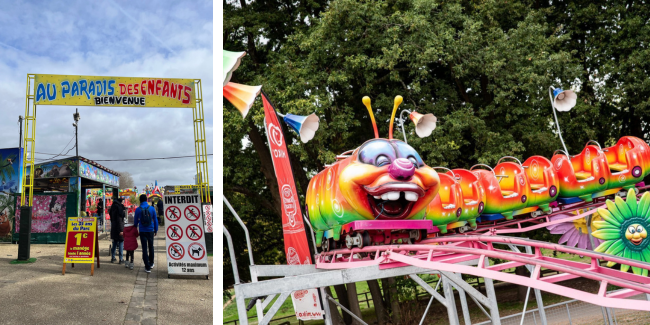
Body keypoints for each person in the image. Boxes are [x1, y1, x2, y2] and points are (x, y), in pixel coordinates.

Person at [134, 194, 158, 273]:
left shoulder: (138, 209)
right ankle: (151, 263)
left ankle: (147, 267)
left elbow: (135, 221)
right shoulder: (151, 208)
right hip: (150, 230)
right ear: (147, 200)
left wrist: (135, 227)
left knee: (144, 248)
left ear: (140, 201)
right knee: (151, 247)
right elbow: (155, 219)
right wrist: (156, 230)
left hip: (142, 230)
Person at [109, 197, 126, 264]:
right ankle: (121, 259)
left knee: (115, 242)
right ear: (121, 202)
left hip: (114, 227)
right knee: (121, 242)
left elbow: (111, 218)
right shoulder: (119, 208)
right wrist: (121, 230)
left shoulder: (112, 207)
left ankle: (113, 258)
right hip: (119, 228)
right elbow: (119, 220)